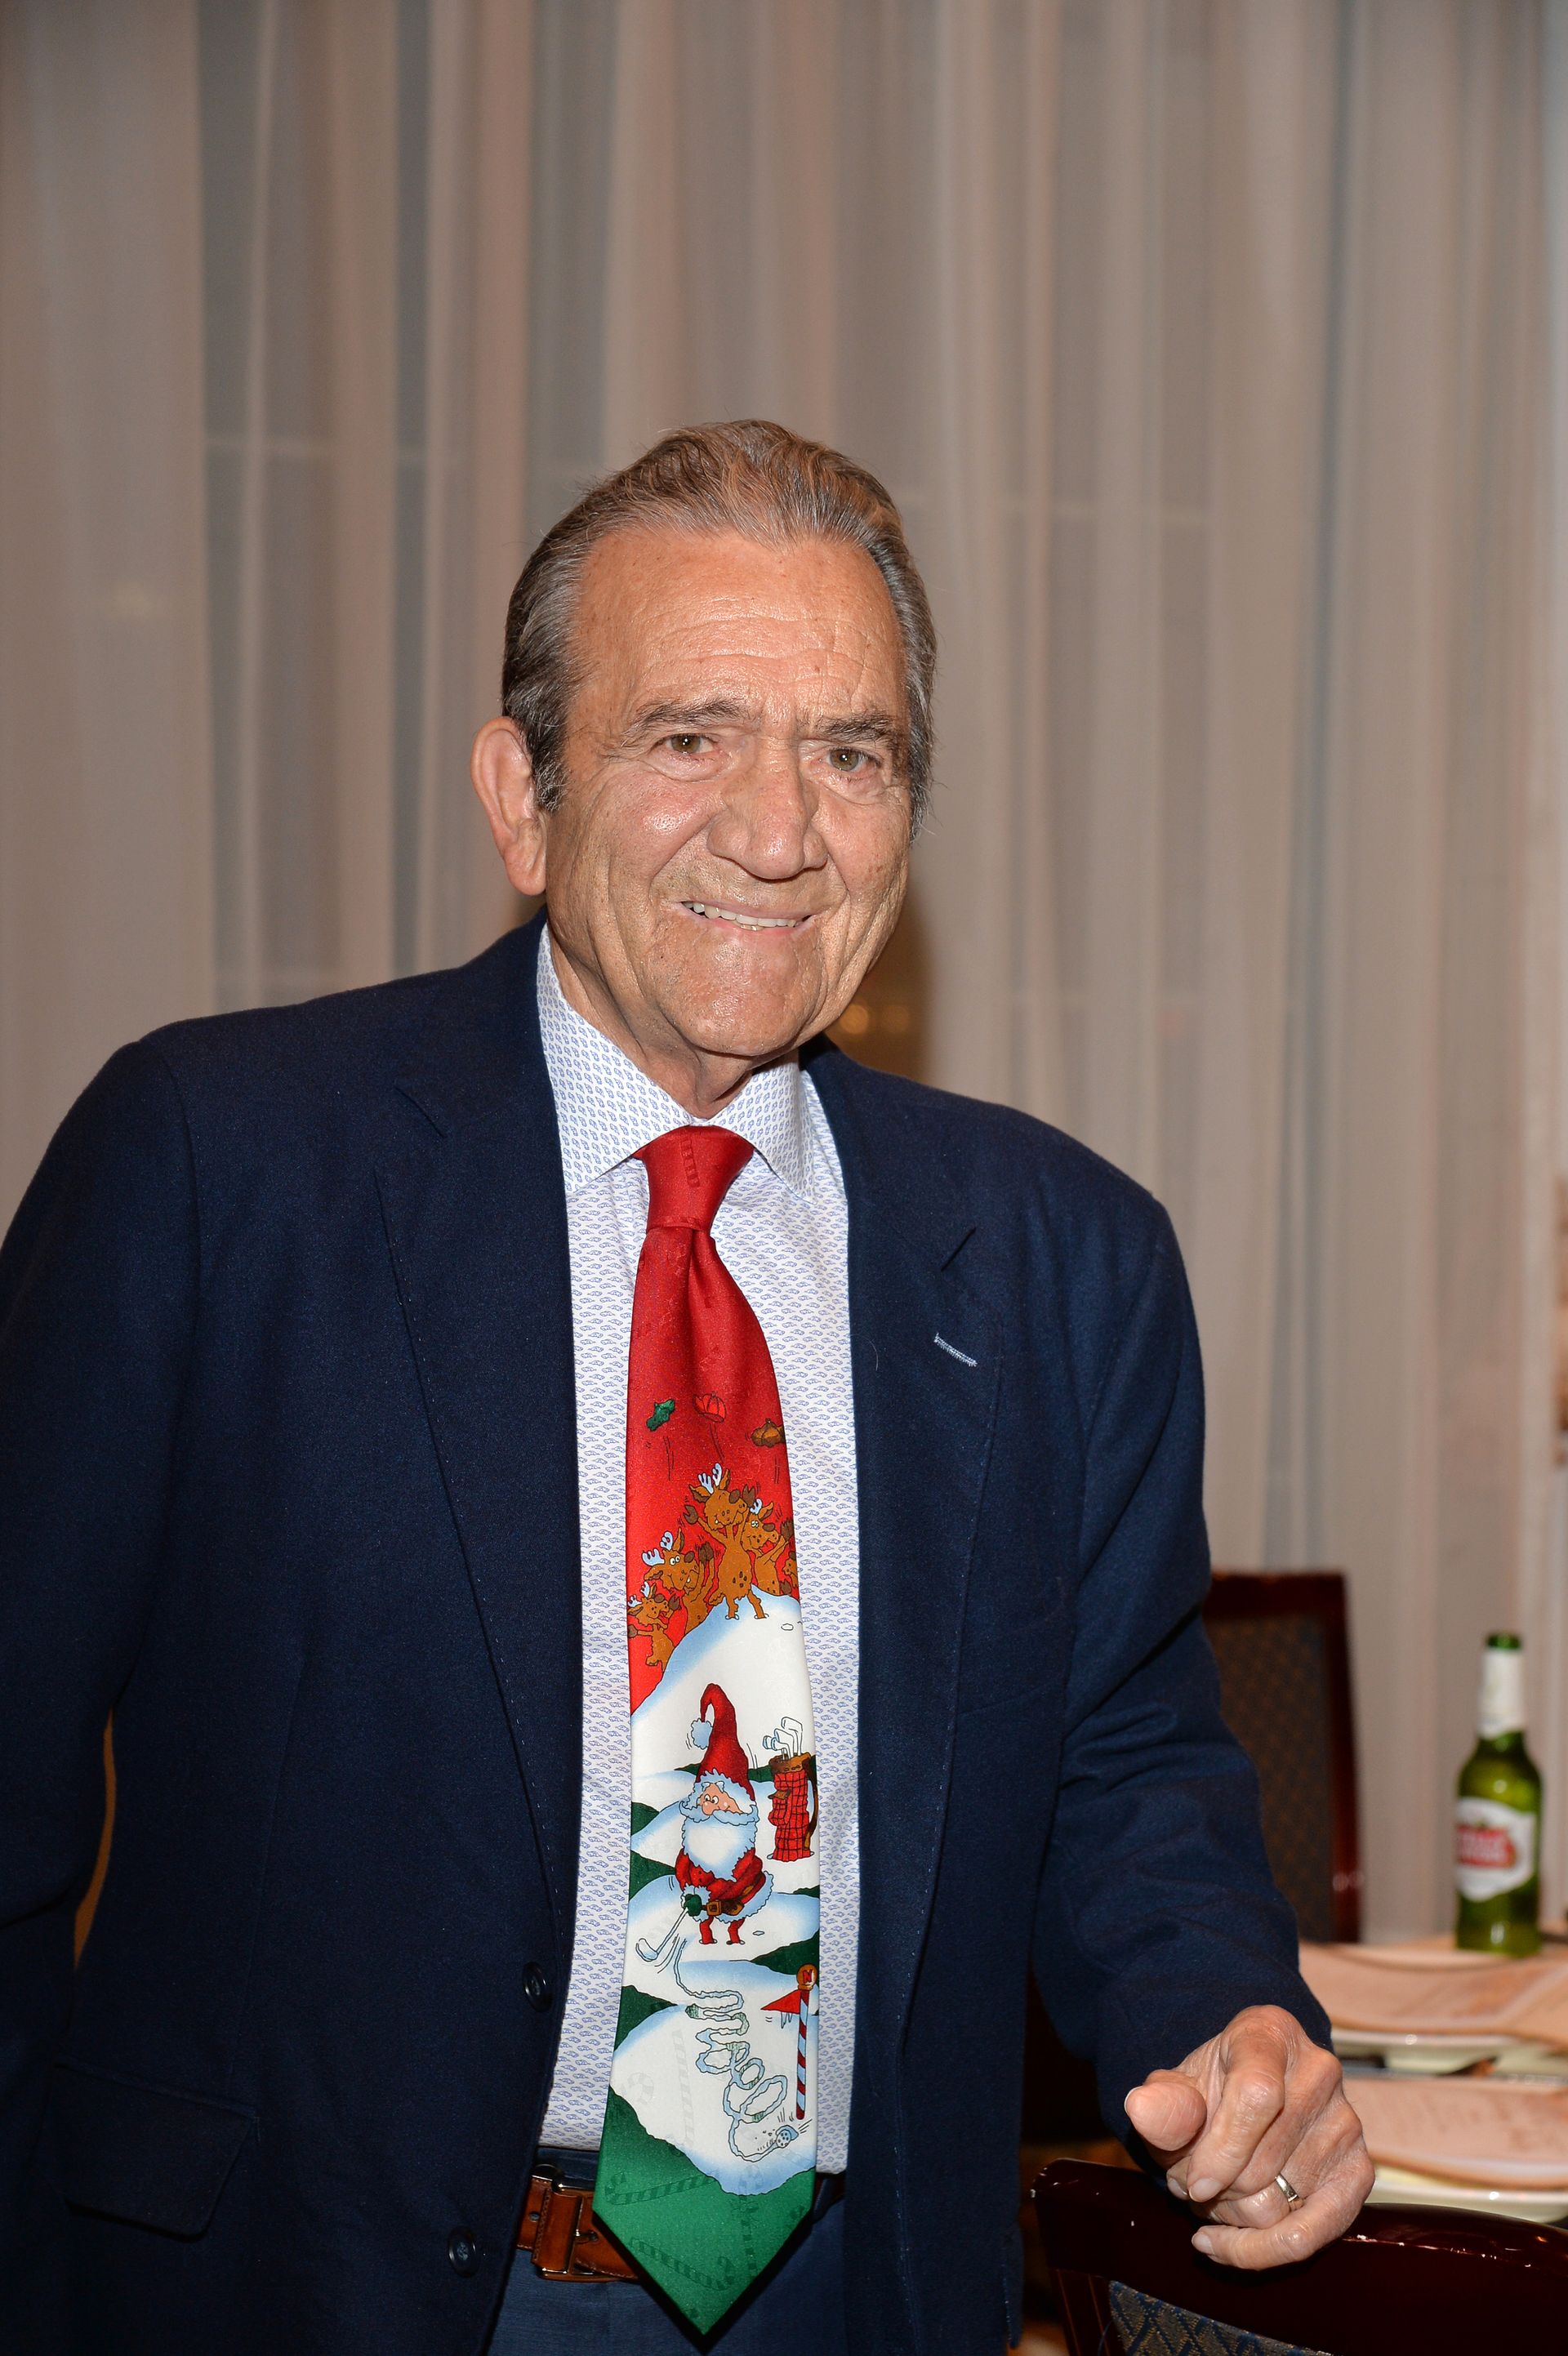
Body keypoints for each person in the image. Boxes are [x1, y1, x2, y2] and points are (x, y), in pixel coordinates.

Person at [0, 421, 1371, 2356]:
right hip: (303, 2290)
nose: (779, 826)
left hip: (862, 2292)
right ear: (523, 796)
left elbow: (1127, 1764)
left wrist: (1226, 2021)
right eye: (688, 737)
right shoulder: (218, 1172)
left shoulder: (1070, 1256)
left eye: (853, 751)